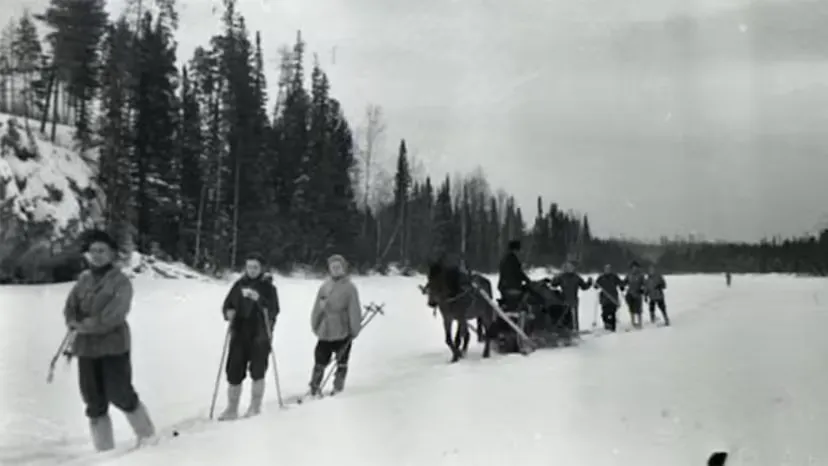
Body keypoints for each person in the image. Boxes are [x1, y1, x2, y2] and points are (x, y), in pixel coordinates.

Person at [62, 230, 155, 452]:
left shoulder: (120, 281)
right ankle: (104, 450)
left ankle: (147, 436)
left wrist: (84, 325)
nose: (97, 255)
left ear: (112, 254)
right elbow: (70, 307)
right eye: (93, 251)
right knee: (93, 400)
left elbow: (115, 315)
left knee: (120, 392)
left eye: (102, 251)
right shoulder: (83, 280)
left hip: (113, 345)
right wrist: (72, 320)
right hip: (85, 347)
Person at [217, 253, 280, 420]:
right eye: (249, 267)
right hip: (239, 331)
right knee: (234, 369)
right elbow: (227, 304)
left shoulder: (268, 287)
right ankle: (232, 408)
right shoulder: (239, 285)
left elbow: (274, 310)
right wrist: (228, 312)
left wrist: (260, 300)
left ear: (261, 269)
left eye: (255, 267)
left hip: (260, 333)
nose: (252, 270)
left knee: (258, 370)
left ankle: (255, 405)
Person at [308, 254, 363, 396]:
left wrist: (354, 329)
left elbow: (354, 309)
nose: (335, 270)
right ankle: (314, 386)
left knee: (342, 359)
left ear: (343, 268)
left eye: (338, 267)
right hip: (325, 329)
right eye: (333, 267)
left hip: (342, 329)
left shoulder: (350, 288)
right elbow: (317, 308)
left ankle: (338, 387)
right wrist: (316, 324)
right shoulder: (325, 286)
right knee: (320, 357)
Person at [549, 261, 593, 333]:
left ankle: (575, 330)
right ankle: (565, 331)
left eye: (570, 267)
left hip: (573, 301)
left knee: (574, 318)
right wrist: (554, 278)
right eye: (567, 267)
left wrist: (589, 282)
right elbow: (554, 285)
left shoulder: (576, 277)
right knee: (564, 317)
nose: (569, 269)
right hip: (563, 300)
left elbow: (584, 286)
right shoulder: (561, 277)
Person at [498, 240, 531, 311]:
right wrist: (528, 281)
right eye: (518, 250)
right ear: (515, 250)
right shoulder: (512, 259)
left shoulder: (505, 258)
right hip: (511, 286)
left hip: (503, 286)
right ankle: (523, 313)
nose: (519, 252)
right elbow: (518, 273)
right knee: (529, 294)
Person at [594, 264, 625, 331]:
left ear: (610, 270)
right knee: (604, 313)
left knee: (612, 312)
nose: (607, 270)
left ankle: (613, 327)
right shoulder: (601, 277)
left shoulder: (614, 277)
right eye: (606, 269)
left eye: (608, 269)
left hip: (613, 298)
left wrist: (622, 286)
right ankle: (607, 324)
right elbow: (596, 285)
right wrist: (595, 286)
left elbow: (620, 283)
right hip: (604, 298)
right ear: (604, 270)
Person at [622, 261, 647, 328]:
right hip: (630, 293)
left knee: (638, 309)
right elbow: (625, 282)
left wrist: (643, 290)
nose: (634, 268)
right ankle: (633, 322)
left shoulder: (641, 275)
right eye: (633, 267)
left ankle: (639, 322)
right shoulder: (629, 275)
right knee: (631, 308)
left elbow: (644, 284)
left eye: (636, 267)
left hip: (638, 294)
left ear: (638, 268)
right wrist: (622, 286)